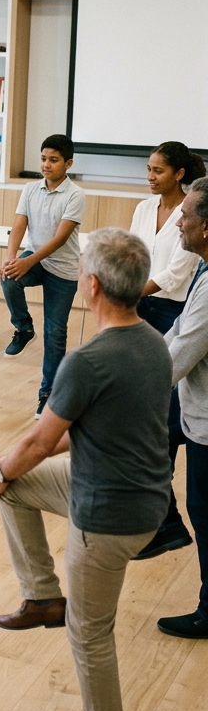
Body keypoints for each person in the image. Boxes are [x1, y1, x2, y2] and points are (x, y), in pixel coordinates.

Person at [0, 228, 172, 711]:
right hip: (147, 496)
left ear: (90, 286)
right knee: (16, 486)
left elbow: (41, 441)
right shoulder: (153, 342)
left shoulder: (86, 360)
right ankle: (43, 595)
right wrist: (8, 471)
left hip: (108, 516)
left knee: (91, 637)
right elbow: (63, 435)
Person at [129, 141, 204, 562]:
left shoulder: (192, 215)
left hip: (172, 311)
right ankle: (164, 523)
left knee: (164, 421)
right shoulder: (144, 208)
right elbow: (132, 251)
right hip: (141, 307)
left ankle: (165, 523)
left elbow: (177, 274)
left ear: (178, 173)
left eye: (158, 170)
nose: (150, 176)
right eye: (148, 169)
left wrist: (127, 292)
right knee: (155, 424)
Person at [0, 134, 86, 418]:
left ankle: (47, 396)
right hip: (35, 259)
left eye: (53, 160)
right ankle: (23, 328)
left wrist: (28, 262)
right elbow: (18, 224)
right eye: (43, 159)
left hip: (62, 270)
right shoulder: (30, 189)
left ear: (68, 163)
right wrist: (13, 259)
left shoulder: (75, 195)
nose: (46, 165)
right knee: (8, 277)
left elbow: (61, 238)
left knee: (55, 333)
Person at [158, 177, 208, 640]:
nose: (179, 221)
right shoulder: (205, 272)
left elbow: (179, 354)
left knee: (207, 511)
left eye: (187, 215)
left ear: (207, 227)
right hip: (199, 417)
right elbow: (175, 335)